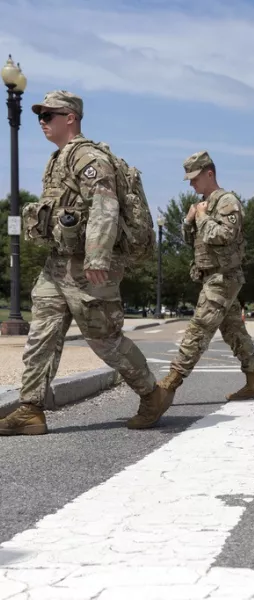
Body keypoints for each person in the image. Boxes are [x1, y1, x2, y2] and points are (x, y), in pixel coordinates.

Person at [0, 90, 173, 435]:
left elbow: (104, 206)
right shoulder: (57, 159)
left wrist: (97, 255)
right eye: (40, 116)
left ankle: (152, 395)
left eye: (49, 115)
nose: (42, 122)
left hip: (86, 266)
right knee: (41, 336)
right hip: (57, 263)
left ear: (71, 118)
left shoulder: (88, 157)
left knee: (104, 339)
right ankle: (31, 409)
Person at [157, 151, 254, 400]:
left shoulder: (227, 202)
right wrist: (188, 221)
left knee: (199, 328)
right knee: (234, 332)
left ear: (210, 173)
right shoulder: (202, 205)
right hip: (210, 277)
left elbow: (223, 236)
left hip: (223, 277)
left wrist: (203, 217)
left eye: (195, 178)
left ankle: (169, 385)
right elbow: (192, 242)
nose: (192, 183)